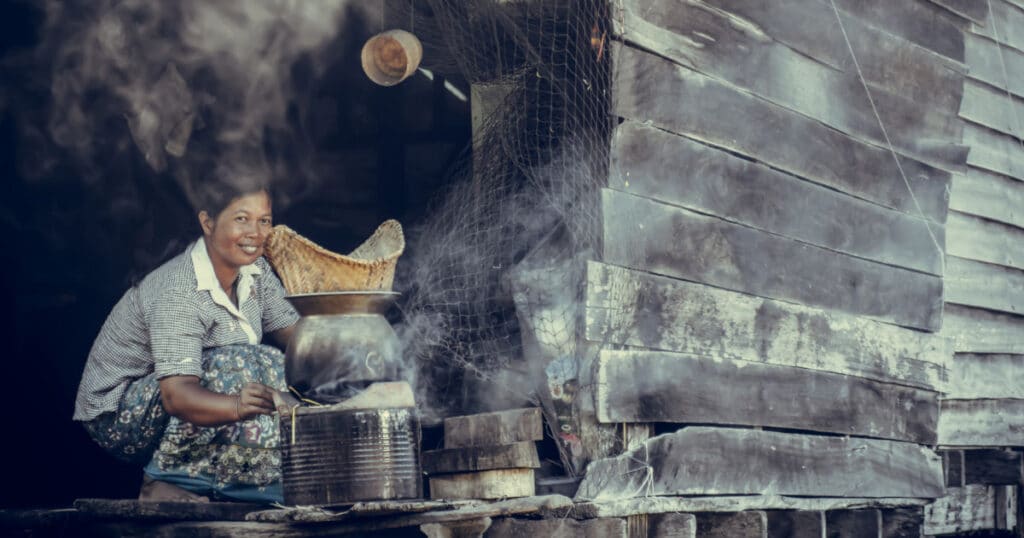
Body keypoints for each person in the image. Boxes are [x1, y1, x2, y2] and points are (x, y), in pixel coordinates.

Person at [73, 177, 300, 503]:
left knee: (276, 365)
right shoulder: (180, 290)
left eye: (264, 220)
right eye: (241, 218)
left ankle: (245, 484)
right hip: (118, 414)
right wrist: (238, 405)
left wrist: (348, 337)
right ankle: (166, 481)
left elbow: (300, 342)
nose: (256, 232)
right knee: (235, 364)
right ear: (207, 222)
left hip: (183, 398)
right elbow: (176, 396)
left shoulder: (257, 272)